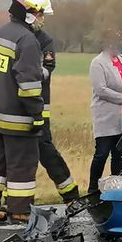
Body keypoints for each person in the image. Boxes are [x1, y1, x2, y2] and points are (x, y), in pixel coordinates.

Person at [0, 0, 52, 222]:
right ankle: (20, 211)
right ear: (31, 13)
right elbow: (29, 85)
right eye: (41, 14)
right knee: (22, 163)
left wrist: (0, 92)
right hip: (18, 118)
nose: (43, 19)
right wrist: (37, 115)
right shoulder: (28, 40)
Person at [88, 29, 122, 193]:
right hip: (106, 117)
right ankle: (93, 188)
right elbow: (100, 89)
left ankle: (116, 189)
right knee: (102, 154)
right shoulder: (98, 63)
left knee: (119, 154)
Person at [34, 29, 80, 203]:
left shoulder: (43, 39)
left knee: (44, 147)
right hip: (14, 108)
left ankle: (70, 194)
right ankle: (11, 202)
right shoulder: (12, 36)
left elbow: (47, 68)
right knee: (14, 153)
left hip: (38, 106)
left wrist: (24, 71)